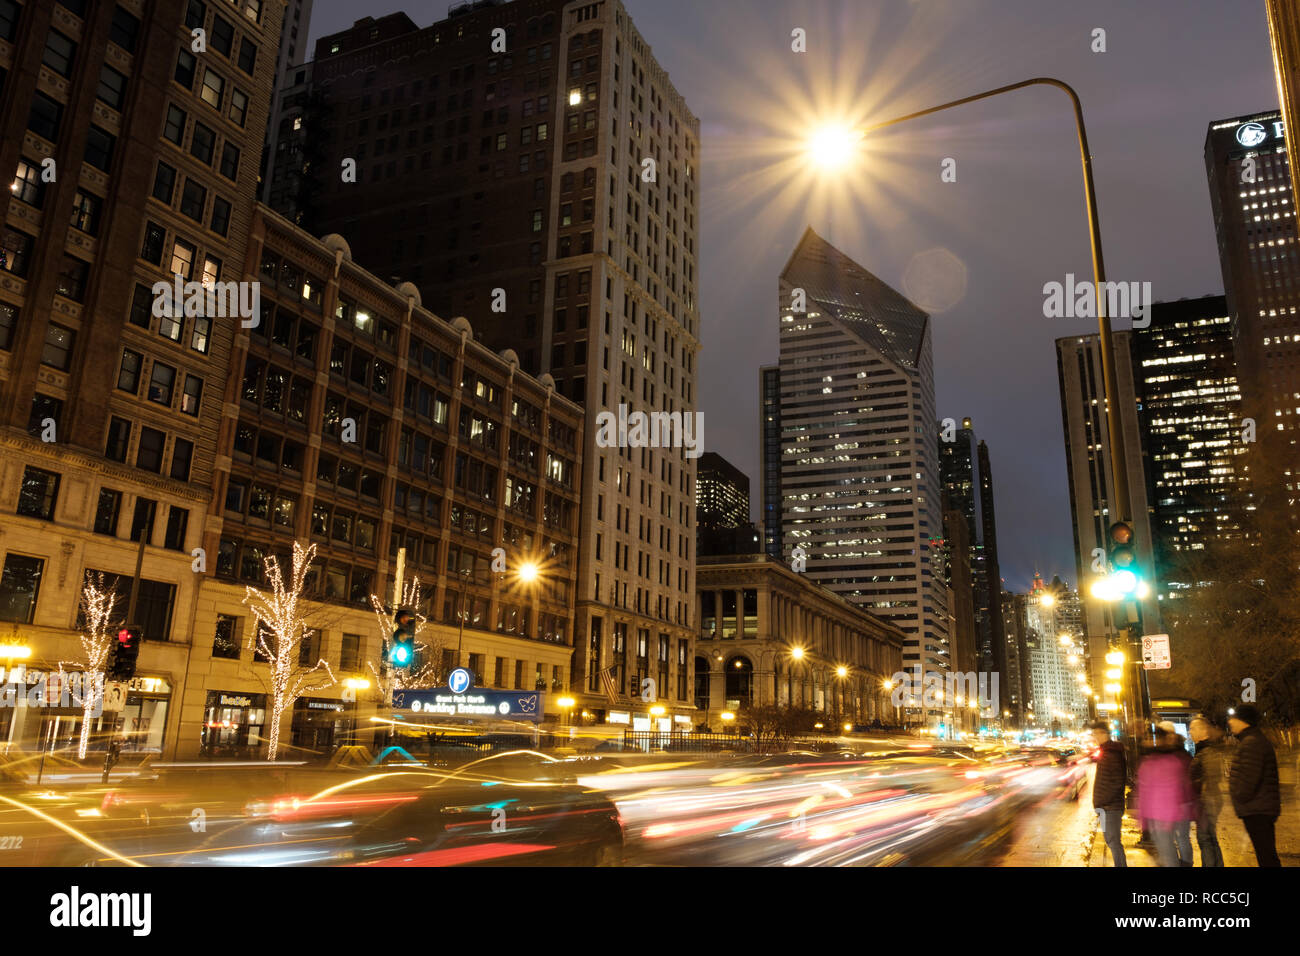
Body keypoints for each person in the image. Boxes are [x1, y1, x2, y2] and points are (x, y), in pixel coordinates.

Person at [1227, 704, 1282, 867]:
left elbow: (1250, 778)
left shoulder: (1251, 743)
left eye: (1233, 718)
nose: (1230, 722)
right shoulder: (1252, 740)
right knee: (1266, 855)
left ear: (1243, 721)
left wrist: (1238, 796)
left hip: (1258, 810)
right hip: (1259, 807)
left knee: (1266, 857)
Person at [1135, 721, 1196, 866]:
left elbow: (1174, 790)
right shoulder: (1149, 761)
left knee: (1169, 851)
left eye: (1152, 738)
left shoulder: (1170, 761)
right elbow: (1144, 792)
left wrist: (1170, 817)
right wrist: (1143, 819)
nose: (1149, 741)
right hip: (1157, 816)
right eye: (1147, 738)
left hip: (1165, 817)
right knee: (1166, 850)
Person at [1088, 720, 1127, 866]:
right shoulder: (1107, 752)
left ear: (1103, 733)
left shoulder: (1111, 754)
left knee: (1113, 842)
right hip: (1106, 807)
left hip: (1110, 808)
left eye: (1096, 733)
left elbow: (1117, 782)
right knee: (1112, 841)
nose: (1094, 737)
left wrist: (1102, 802)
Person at [1188, 716, 1227, 867]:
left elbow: (1211, 779)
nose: (1190, 731)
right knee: (1210, 838)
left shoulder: (1207, 751)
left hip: (1207, 801)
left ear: (1203, 731)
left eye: (1192, 728)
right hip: (1207, 800)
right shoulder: (1204, 750)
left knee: (1205, 839)